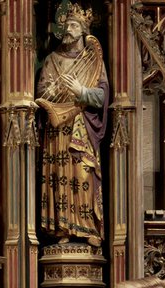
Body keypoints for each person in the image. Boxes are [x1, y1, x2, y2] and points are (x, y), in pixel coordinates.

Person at [35, 5, 108, 246]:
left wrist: (80, 91)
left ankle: (88, 229)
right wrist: (53, 90)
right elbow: (41, 92)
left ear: (84, 31)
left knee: (82, 175)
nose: (68, 29)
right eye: (66, 25)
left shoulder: (93, 60)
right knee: (59, 178)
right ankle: (63, 228)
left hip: (81, 127)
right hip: (57, 129)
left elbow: (102, 96)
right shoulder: (52, 60)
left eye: (74, 25)